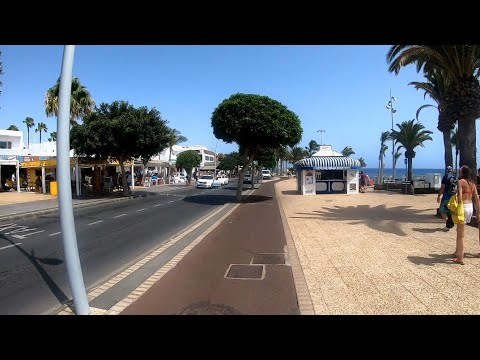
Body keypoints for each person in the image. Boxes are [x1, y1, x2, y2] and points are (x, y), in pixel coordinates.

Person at [451, 165, 480, 265]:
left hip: (462, 207)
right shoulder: (472, 183)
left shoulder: (460, 182)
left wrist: (455, 206)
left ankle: (460, 257)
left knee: (460, 235)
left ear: (462, 172)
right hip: (470, 207)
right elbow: (476, 198)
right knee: (460, 231)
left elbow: (459, 196)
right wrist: (478, 212)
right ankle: (457, 251)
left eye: (460, 171)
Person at [437, 166, 457, 231]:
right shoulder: (454, 177)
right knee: (449, 211)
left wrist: (439, 196)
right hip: (452, 197)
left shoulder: (446, 177)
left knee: (441, 210)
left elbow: (442, 187)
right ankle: (449, 223)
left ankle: (448, 223)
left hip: (446, 197)